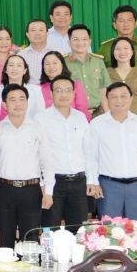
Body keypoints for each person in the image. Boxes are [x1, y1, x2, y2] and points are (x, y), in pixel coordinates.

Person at [85, 83, 137, 224]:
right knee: (109, 231)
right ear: (107, 100)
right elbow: (91, 156)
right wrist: (93, 181)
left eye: (123, 96)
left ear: (131, 99)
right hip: (108, 186)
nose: (119, 100)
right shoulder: (97, 124)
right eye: (113, 97)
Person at [0, 84, 54, 248]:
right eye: (12, 100)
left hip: (31, 190)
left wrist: (48, 192)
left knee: (31, 239)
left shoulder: (37, 128)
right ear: (4, 105)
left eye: (22, 99)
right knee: (5, 239)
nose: (18, 103)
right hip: (3, 189)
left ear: (27, 102)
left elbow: (47, 162)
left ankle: (29, 266)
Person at [36, 76, 90, 228]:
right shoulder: (41, 118)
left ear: (73, 93)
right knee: (50, 229)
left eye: (68, 90)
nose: (63, 94)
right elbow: (37, 155)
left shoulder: (81, 118)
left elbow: (88, 150)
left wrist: (91, 179)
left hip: (79, 182)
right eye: (59, 90)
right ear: (51, 93)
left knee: (79, 231)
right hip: (54, 183)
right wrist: (44, 184)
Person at [97, 5, 137, 117]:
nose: (125, 24)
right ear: (114, 25)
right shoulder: (105, 47)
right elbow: (99, 78)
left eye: (129, 20)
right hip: (114, 105)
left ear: (135, 23)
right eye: (121, 21)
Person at [107, 37, 137, 137]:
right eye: (118, 49)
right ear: (113, 52)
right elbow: (104, 99)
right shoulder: (106, 73)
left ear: (132, 52)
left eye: (126, 48)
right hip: (114, 123)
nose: (122, 52)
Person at [66, 24, 110, 119]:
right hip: (74, 114)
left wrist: (108, 115)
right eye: (76, 39)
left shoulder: (98, 61)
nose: (80, 42)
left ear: (90, 41)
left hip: (98, 113)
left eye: (84, 39)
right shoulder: (63, 63)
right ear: (69, 42)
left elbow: (103, 91)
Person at [39, 51, 89, 119]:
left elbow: (83, 111)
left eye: (55, 63)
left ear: (62, 65)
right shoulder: (37, 88)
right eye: (47, 64)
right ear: (43, 67)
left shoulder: (75, 85)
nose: (51, 67)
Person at [0, 55, 44, 120]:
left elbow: (40, 115)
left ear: (25, 70)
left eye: (19, 65)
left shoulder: (36, 90)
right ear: (6, 70)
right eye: (11, 65)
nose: (14, 68)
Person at [19, 20, 51, 84]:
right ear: (27, 34)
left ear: (47, 33)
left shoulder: (55, 53)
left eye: (41, 30)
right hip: (28, 90)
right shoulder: (21, 56)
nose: (37, 33)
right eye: (33, 30)